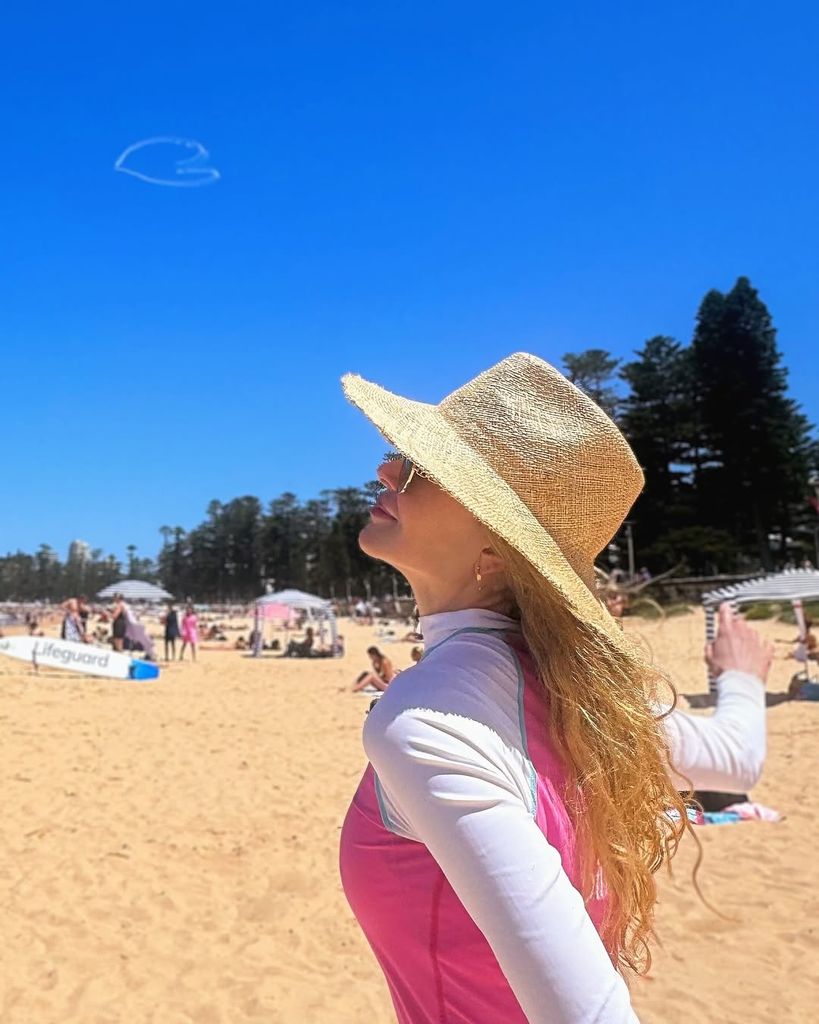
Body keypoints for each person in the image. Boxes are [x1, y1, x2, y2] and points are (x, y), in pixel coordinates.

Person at [338, 353, 773, 1023]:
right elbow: (736, 759)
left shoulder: (430, 719)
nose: (388, 469)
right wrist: (740, 678)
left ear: (495, 554)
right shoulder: (585, 696)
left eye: (422, 468)